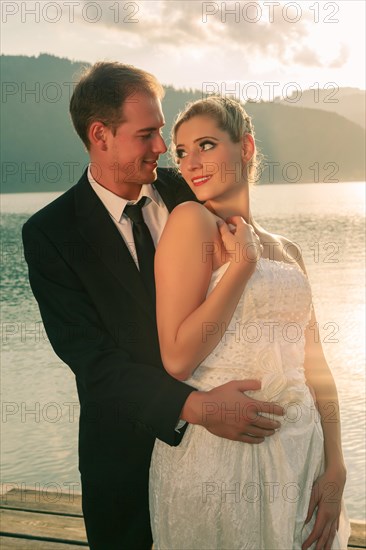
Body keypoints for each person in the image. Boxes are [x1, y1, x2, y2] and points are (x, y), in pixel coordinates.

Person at [22, 63, 284, 549]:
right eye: (147, 135)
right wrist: (197, 408)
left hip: (231, 460)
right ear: (100, 135)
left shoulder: (190, 186)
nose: (164, 149)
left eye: (163, 133)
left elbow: (252, 288)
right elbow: (94, 363)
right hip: (126, 459)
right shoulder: (50, 235)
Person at [149, 96, 350, 549]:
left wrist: (335, 466)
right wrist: (240, 267)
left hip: (302, 457)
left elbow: (316, 367)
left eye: (205, 145)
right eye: (181, 152)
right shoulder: (191, 222)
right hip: (222, 459)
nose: (191, 163)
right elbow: (177, 359)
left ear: (246, 147)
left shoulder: (289, 250)